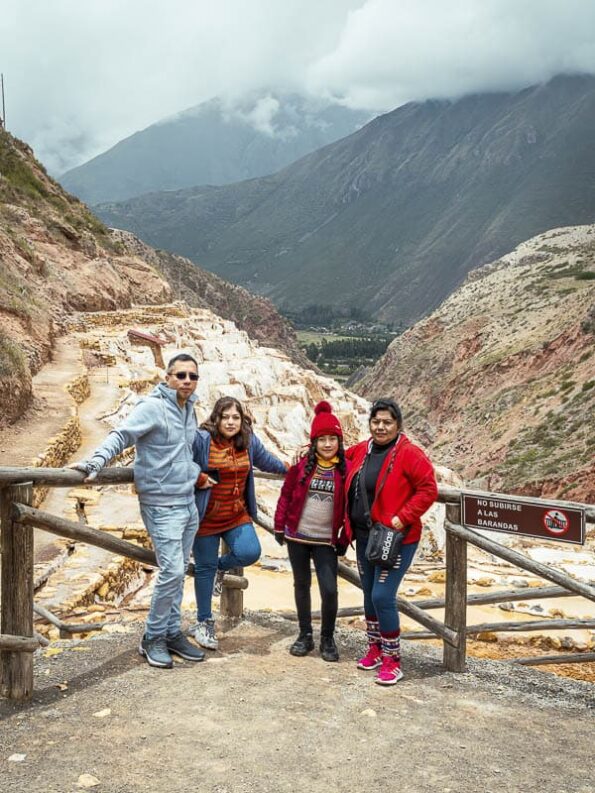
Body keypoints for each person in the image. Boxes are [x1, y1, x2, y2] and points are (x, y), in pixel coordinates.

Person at [70, 353, 205, 669]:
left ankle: (172, 632)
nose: (187, 380)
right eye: (181, 375)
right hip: (160, 504)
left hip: (186, 501)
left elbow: (183, 452)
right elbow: (122, 435)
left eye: (192, 376)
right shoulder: (153, 407)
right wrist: (97, 461)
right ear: (167, 377)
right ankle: (152, 637)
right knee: (171, 570)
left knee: (179, 571)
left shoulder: (189, 410)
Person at [345, 398, 438, 686]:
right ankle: (374, 648)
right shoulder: (363, 449)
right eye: (376, 421)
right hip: (365, 536)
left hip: (396, 538)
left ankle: (393, 660)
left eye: (387, 422)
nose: (381, 426)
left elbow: (428, 488)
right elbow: (338, 457)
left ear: (397, 425)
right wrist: (308, 452)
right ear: (370, 423)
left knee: (382, 596)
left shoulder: (410, 454)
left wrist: (402, 517)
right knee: (369, 593)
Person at [192, 396, 287, 650]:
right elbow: (182, 463)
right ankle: (204, 621)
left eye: (236, 417)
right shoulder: (202, 439)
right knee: (203, 568)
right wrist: (196, 476)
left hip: (236, 515)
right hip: (206, 518)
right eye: (226, 417)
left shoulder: (248, 440)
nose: (231, 422)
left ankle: (219, 568)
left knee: (249, 552)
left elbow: (267, 460)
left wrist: (291, 469)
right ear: (216, 418)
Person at [274, 401, 350, 662]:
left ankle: (327, 638)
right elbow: (285, 496)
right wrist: (278, 525)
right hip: (297, 536)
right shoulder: (301, 467)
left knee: (329, 589)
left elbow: (350, 508)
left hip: (325, 542)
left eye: (332, 439)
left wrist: (345, 536)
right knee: (302, 584)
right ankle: (305, 634)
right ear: (314, 442)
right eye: (322, 439)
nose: (328, 444)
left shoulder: (346, 469)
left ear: (339, 441)